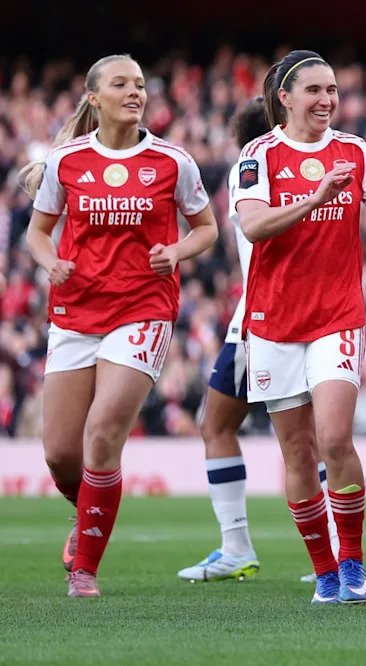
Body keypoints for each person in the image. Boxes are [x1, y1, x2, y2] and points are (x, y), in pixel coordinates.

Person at [234, 49, 366, 605]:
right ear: (285, 97)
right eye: (315, 91)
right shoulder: (258, 156)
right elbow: (254, 228)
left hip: (336, 317)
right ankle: (323, 570)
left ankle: (352, 563)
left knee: (334, 438)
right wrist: (315, 197)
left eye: (333, 92)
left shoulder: (353, 150)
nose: (326, 101)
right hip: (273, 322)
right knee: (297, 453)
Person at [20, 54, 218, 597]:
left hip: (143, 308)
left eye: (139, 84)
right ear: (93, 97)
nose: (135, 91)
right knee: (61, 453)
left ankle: (84, 570)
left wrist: (176, 250)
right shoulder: (66, 163)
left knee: (102, 432)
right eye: (120, 84)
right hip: (75, 312)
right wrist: (48, 262)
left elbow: (207, 229)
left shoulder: (174, 163)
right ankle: (86, 508)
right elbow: (38, 233)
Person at [175, 98, 339, 584]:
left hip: (267, 316)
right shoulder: (279, 168)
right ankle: (257, 548)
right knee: (243, 428)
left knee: (274, 435)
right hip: (265, 316)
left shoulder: (252, 170)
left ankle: (248, 547)